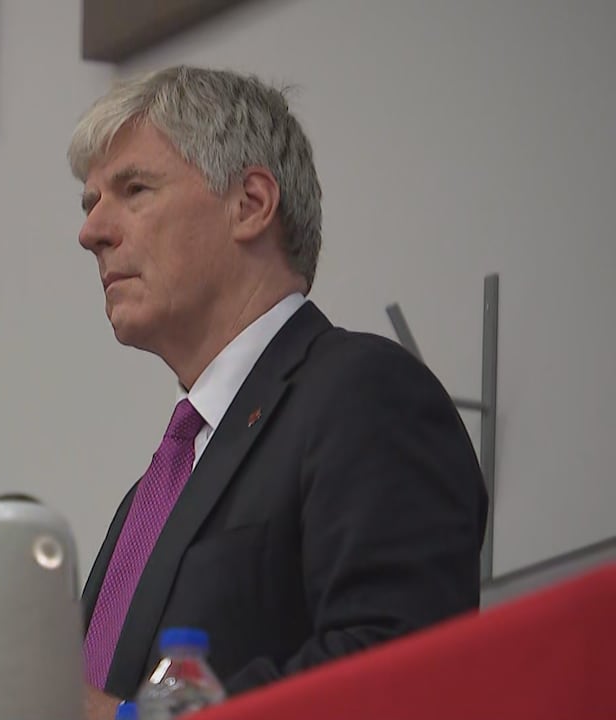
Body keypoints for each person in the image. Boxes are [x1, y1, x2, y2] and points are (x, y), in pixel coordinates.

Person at [67, 66, 488, 719]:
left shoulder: (363, 394)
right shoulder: (156, 489)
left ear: (252, 204)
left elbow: (402, 665)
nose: (91, 232)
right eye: (90, 203)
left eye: (134, 189)